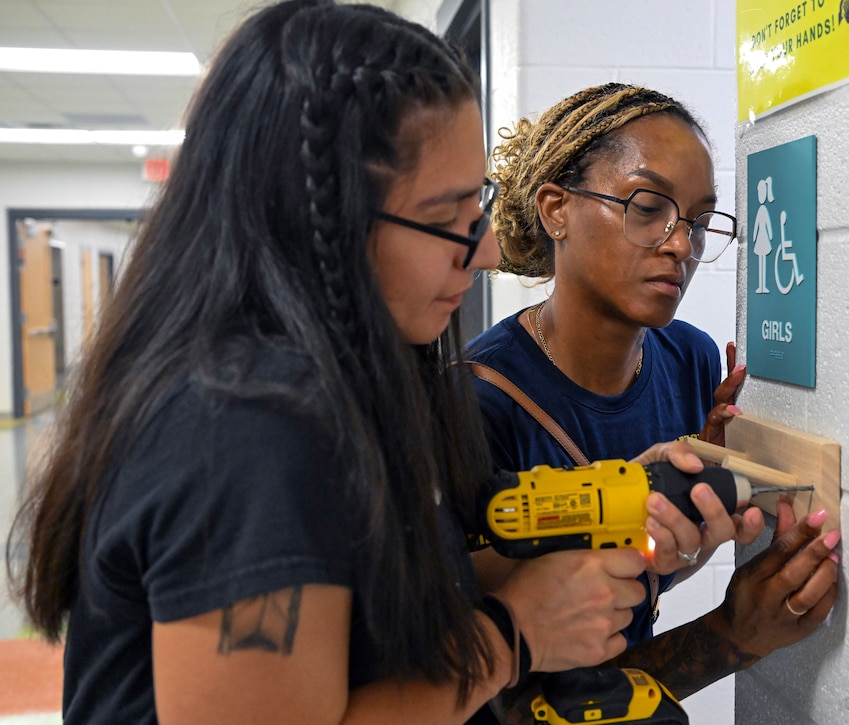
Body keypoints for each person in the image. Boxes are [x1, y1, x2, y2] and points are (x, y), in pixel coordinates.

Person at [3, 6, 686, 722]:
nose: (485, 251)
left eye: (477, 204)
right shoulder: (245, 428)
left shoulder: (350, 384)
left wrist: (584, 537)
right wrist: (516, 633)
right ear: (318, 220)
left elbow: (364, 608)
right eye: (447, 217)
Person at [466, 83, 839, 717]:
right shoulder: (472, 403)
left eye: (698, 220)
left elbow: (652, 574)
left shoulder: (691, 360)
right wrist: (732, 636)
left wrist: (694, 531)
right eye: (648, 207)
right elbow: (508, 690)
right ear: (556, 208)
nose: (681, 245)